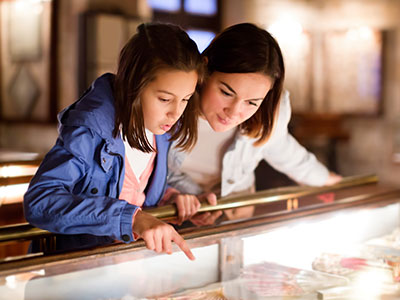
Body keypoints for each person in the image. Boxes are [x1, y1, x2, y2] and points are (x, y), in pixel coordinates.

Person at [23, 23, 204, 260]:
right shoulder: (89, 131)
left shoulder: (162, 131)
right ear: (133, 85)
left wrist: (171, 198)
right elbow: (40, 201)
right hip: (77, 273)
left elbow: (136, 193)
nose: (176, 113)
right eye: (164, 99)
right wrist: (131, 218)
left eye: (186, 99)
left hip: (126, 270)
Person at [167, 23, 342, 225]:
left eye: (252, 102)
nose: (234, 112)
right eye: (226, 93)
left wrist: (328, 180)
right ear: (205, 69)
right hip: (172, 217)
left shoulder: (268, 113)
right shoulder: (171, 104)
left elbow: (286, 152)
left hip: (234, 220)